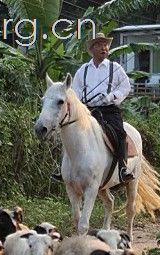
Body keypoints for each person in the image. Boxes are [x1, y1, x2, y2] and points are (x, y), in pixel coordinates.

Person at [52, 32, 134, 183]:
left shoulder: (115, 68)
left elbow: (125, 87)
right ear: (92, 49)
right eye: (100, 45)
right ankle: (62, 169)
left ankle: (123, 169)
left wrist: (110, 97)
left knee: (120, 134)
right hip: (87, 111)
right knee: (68, 134)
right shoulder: (83, 70)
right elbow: (73, 92)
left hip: (109, 110)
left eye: (106, 45)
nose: (104, 48)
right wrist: (81, 100)